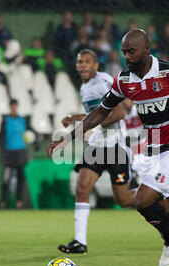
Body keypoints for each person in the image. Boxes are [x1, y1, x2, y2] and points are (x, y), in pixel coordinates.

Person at [47, 29, 169, 266]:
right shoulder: (124, 81)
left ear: (146, 48)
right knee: (148, 203)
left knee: (142, 199)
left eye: (132, 51)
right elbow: (100, 112)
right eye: (124, 52)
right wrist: (66, 138)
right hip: (154, 149)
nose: (127, 56)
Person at [56, 49, 136, 255]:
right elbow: (97, 112)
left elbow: (117, 113)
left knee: (123, 200)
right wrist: (76, 118)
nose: (82, 65)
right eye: (79, 62)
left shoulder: (103, 82)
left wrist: (83, 129)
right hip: (97, 145)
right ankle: (79, 242)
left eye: (87, 62)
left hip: (116, 145)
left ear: (96, 66)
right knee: (82, 187)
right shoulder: (85, 87)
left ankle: (155, 194)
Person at [123, 100, 169, 229]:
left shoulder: (139, 110)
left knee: (156, 186)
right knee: (143, 182)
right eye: (124, 99)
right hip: (136, 152)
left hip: (149, 149)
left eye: (128, 99)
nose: (127, 102)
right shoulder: (122, 115)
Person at [0, 99, 36, 209]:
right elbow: (1, 137)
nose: (14, 108)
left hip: (21, 152)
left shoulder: (22, 120)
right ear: (10, 107)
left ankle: (19, 202)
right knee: (6, 179)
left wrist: (36, 140)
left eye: (15, 106)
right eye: (12, 106)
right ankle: (3, 202)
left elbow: (31, 132)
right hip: (9, 153)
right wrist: (2, 153)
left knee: (21, 178)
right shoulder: (5, 121)